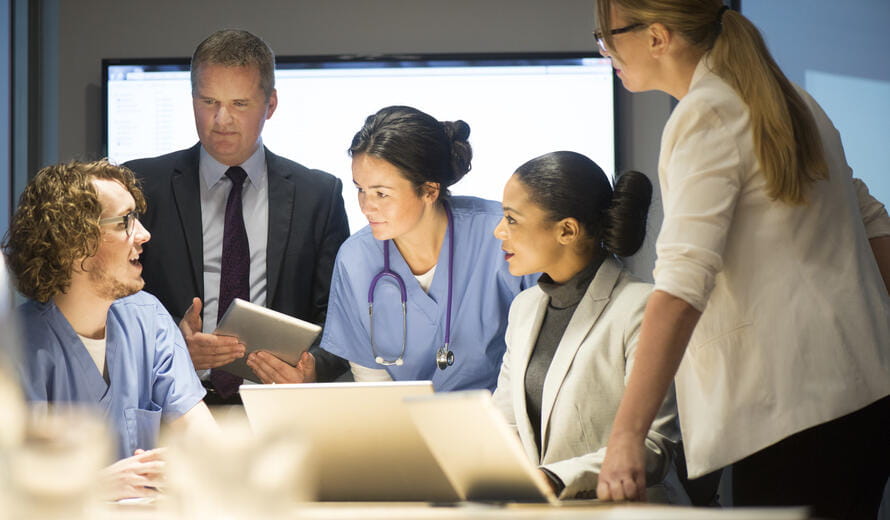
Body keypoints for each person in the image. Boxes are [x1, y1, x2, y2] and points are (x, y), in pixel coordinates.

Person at [591, 2, 890, 517]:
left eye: (607, 37)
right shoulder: (793, 100)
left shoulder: (706, 113)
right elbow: (874, 226)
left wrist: (626, 436)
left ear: (658, 37)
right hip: (859, 399)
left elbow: (682, 287)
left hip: (788, 410)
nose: (605, 53)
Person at [124, 29, 351, 403]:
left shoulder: (318, 194)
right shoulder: (143, 185)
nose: (221, 119)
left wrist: (313, 369)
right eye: (208, 101)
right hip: (169, 405)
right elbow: (112, 304)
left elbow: (339, 319)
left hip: (280, 407)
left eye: (240, 104)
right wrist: (172, 350)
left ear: (271, 105)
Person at [247, 105, 537, 390]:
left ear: (429, 191)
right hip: (406, 424)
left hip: (504, 421)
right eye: (360, 189)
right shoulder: (356, 259)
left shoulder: (502, 235)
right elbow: (375, 386)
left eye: (381, 193)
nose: (366, 206)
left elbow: (545, 354)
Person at [2, 159, 216, 501]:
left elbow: (208, 444)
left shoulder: (150, 320)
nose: (144, 234)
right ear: (73, 243)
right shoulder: (14, 347)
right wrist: (92, 487)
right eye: (126, 221)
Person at [490, 151, 683, 502]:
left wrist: (556, 478)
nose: (499, 230)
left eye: (511, 219)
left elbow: (656, 445)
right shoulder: (524, 308)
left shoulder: (641, 307)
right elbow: (506, 424)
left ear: (567, 230)